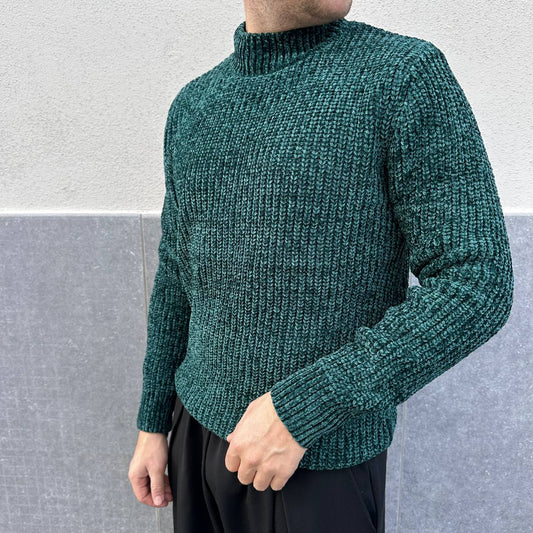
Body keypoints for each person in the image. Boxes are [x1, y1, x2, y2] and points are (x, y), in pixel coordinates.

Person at [128, 0, 514, 531]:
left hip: (319, 462)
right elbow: (177, 272)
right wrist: (154, 420)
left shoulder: (401, 77)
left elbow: (477, 281)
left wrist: (305, 407)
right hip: (195, 439)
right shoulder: (195, 106)